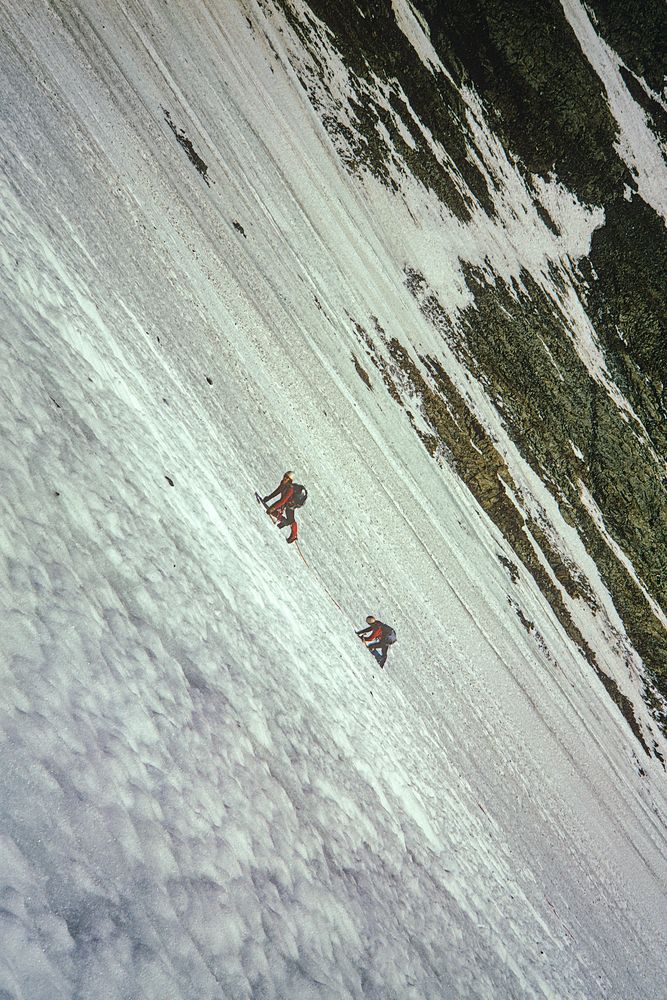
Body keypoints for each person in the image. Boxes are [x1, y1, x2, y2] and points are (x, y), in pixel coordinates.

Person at [262, 472, 308, 544]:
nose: (284, 478)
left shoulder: (290, 489)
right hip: (291, 499)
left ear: (290, 480)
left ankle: (293, 535)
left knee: (290, 517)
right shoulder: (284, 484)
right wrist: (268, 498)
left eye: (287, 478)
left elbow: (283, 501)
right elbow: (278, 491)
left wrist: (273, 508)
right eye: (285, 476)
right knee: (279, 509)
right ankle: (283, 521)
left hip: (295, 502)